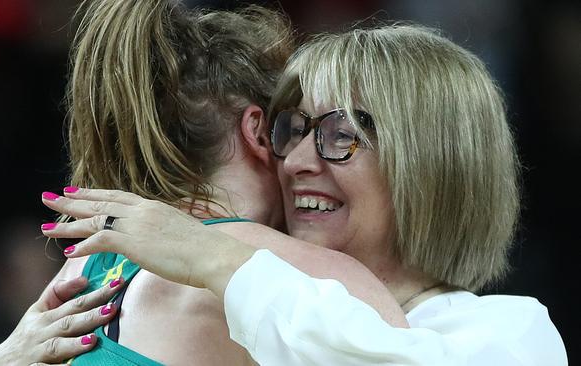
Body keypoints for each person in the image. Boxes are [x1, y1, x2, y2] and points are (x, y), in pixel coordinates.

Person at [41, 24, 568, 365]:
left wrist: (216, 257)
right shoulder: (232, 305)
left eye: (340, 135)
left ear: (432, 158)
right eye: (292, 128)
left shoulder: (514, 334)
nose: (294, 161)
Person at [0, 1, 408, 365]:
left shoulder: (80, 270)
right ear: (258, 132)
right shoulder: (315, 275)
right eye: (291, 130)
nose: (299, 158)